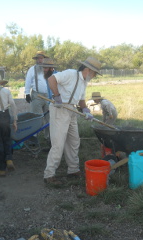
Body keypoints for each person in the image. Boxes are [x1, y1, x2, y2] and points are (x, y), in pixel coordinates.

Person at [44, 56, 102, 185]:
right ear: (88, 70)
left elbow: (81, 99)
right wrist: (57, 96)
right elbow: (51, 79)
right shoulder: (70, 74)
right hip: (60, 108)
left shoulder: (84, 82)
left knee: (74, 141)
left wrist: (86, 110)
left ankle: (73, 169)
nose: (94, 76)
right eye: (94, 74)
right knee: (58, 143)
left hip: (71, 110)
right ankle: (49, 174)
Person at [24, 51, 51, 140]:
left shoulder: (49, 69)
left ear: (44, 59)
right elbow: (28, 81)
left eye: (41, 58)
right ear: (36, 60)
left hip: (48, 96)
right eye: (38, 58)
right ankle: (34, 137)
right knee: (36, 117)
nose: (40, 60)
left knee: (49, 118)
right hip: (37, 95)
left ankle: (49, 137)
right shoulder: (32, 69)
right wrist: (27, 93)